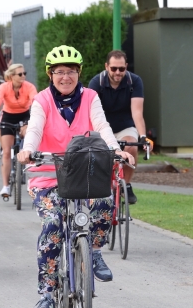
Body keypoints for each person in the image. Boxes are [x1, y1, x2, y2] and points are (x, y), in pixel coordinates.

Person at [17, 45, 135, 308]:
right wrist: (28, 150)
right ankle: (47, 291)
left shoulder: (91, 96)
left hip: (85, 173)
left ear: (79, 73)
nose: (65, 77)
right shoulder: (42, 100)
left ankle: (93, 251)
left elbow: (102, 126)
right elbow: (35, 128)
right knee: (52, 225)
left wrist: (116, 151)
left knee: (105, 201)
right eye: (59, 71)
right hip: (48, 174)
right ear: (50, 74)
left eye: (71, 71)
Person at [88, 50, 152, 205]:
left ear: (126, 67)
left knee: (131, 147)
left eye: (122, 69)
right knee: (101, 155)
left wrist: (142, 137)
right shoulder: (97, 83)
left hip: (125, 126)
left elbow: (137, 112)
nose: (118, 72)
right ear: (106, 66)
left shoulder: (134, 81)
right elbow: (90, 113)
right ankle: (105, 185)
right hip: (103, 126)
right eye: (114, 68)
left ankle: (127, 185)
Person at [0, 63, 37, 197]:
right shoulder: (4, 87)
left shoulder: (29, 87)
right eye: (20, 74)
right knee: (6, 152)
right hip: (8, 116)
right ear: (11, 76)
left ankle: (25, 160)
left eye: (24, 73)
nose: (23, 76)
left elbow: (35, 101)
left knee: (29, 136)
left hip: (24, 116)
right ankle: (5, 186)